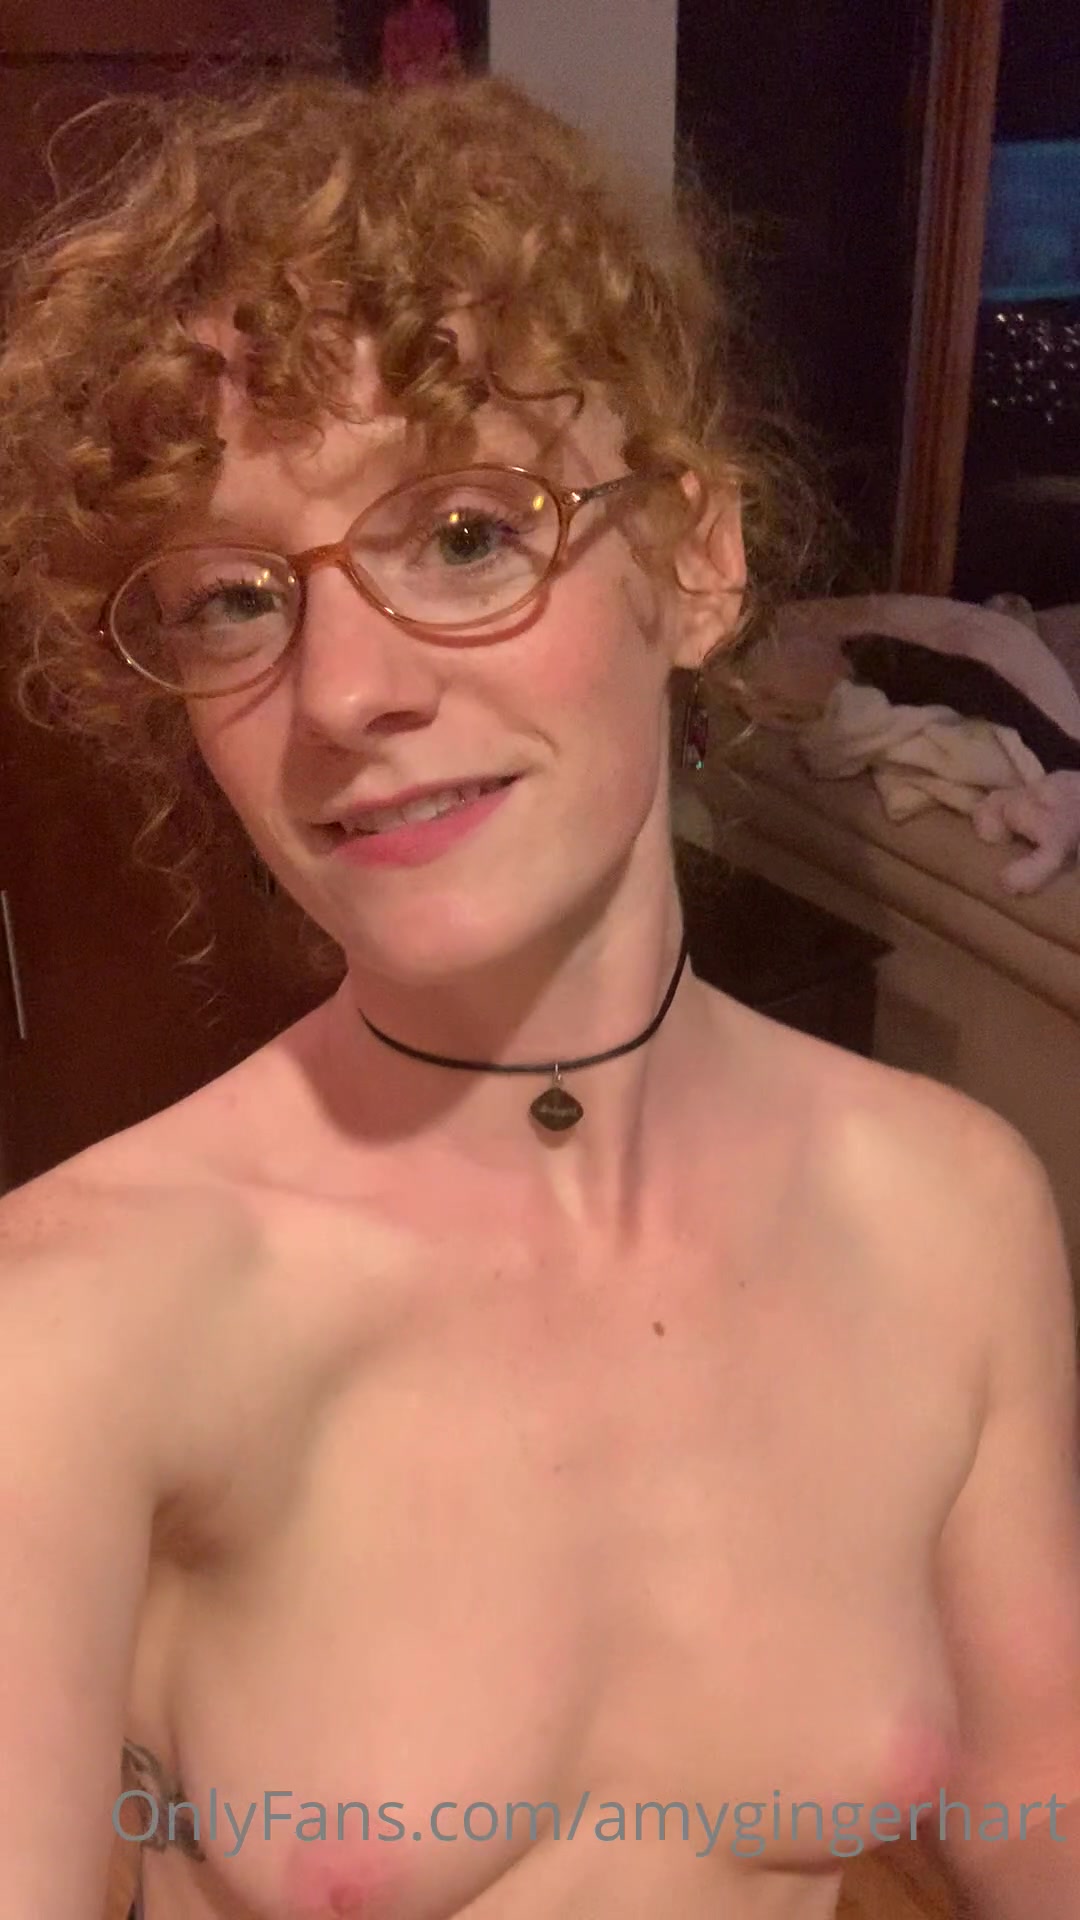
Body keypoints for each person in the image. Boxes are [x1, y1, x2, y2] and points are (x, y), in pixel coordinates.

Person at [1, 67, 1079, 1920]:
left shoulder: (949, 1211)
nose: (345, 692)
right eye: (234, 598)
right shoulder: (78, 1325)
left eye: (465, 537)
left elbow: (1037, 1819)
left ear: (699, 557)